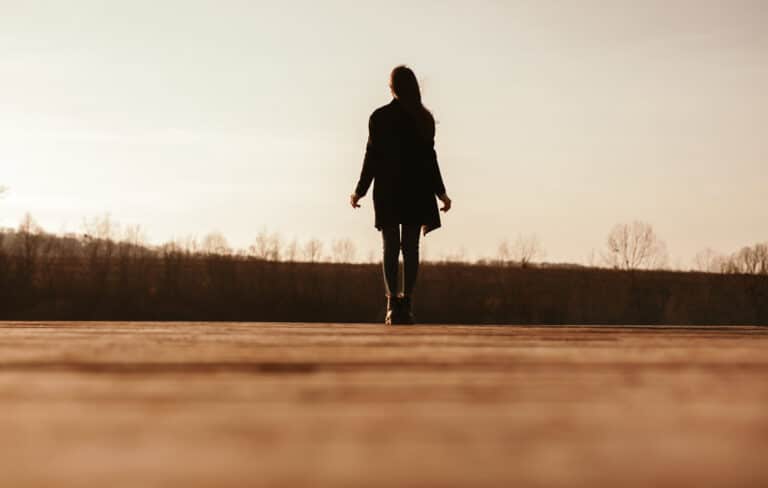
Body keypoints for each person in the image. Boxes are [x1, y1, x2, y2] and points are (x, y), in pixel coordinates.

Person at [350, 65, 451, 325]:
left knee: (391, 247)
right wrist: (442, 193)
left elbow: (371, 157)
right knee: (411, 248)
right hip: (417, 190)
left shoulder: (379, 118)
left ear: (393, 87)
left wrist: (359, 191)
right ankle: (407, 304)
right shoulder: (423, 119)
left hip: (388, 191)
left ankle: (391, 304)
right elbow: (430, 160)